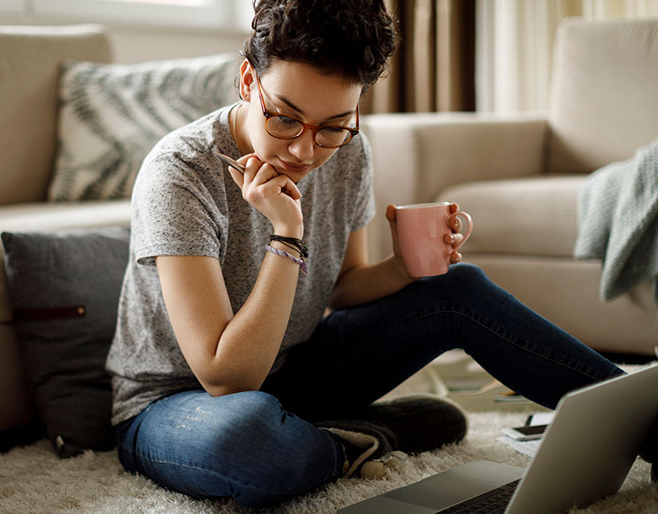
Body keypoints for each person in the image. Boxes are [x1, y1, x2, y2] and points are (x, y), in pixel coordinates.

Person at [106, 0, 636, 507]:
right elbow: (225, 377)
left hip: (296, 368)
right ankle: (359, 438)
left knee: (458, 289)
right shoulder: (180, 172)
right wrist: (287, 234)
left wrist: (403, 270)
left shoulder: (349, 150)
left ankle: (646, 422)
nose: (305, 151)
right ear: (249, 81)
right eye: (285, 119)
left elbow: (344, 287)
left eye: (334, 126)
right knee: (248, 443)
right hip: (178, 403)